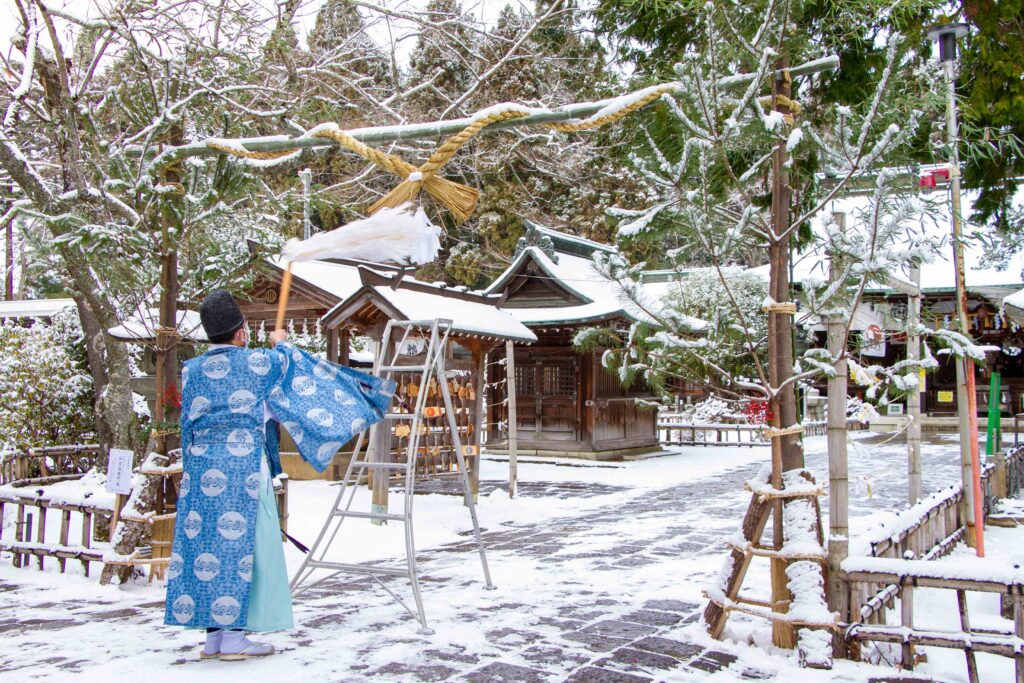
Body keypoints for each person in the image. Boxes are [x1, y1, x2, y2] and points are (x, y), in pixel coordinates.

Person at [164, 289, 394, 660]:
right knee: (244, 547)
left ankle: (214, 638)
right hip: (242, 466)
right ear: (240, 332)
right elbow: (295, 371)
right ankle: (234, 638)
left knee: (208, 547)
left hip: (201, 466)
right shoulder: (259, 364)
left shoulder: (192, 371)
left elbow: (187, 425)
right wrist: (282, 344)